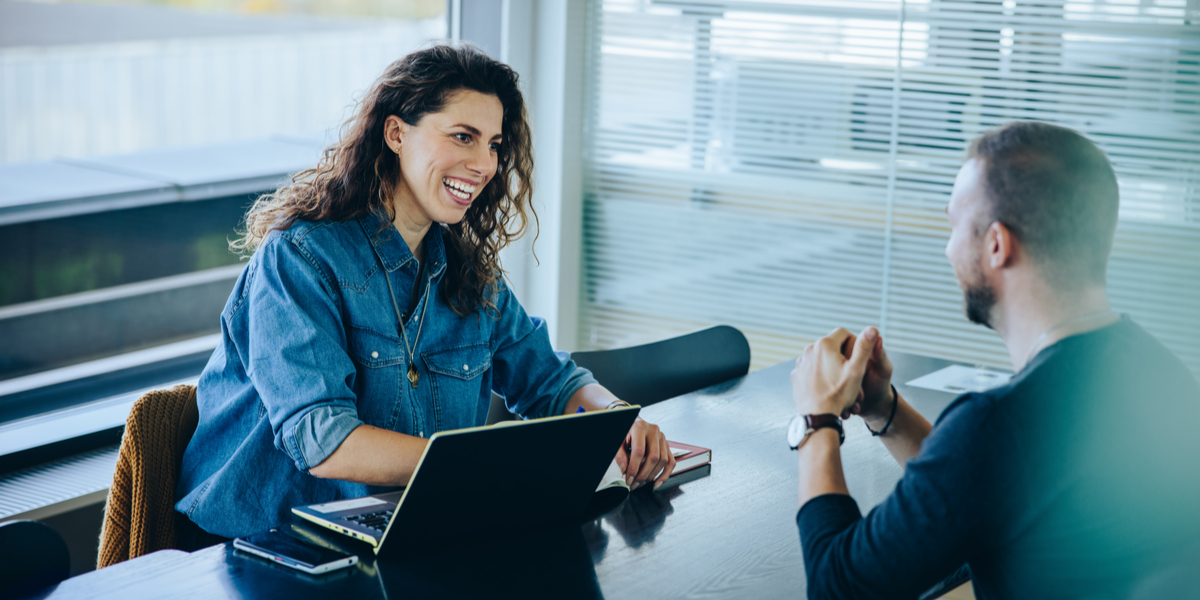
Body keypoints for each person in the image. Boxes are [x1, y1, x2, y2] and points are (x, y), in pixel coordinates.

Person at [175, 44, 675, 544]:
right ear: (396, 133)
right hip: (260, 543)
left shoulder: (469, 273)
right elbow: (323, 441)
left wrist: (616, 421)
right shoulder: (301, 258)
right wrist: (477, 467)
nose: (485, 165)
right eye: (463, 137)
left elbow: (551, 381)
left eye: (495, 145)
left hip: (403, 525)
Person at [787, 122, 1200, 598]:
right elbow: (989, 486)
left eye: (952, 225)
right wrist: (885, 409)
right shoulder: (1161, 372)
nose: (946, 248)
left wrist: (815, 420)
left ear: (997, 245)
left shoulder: (1001, 424)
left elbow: (837, 588)